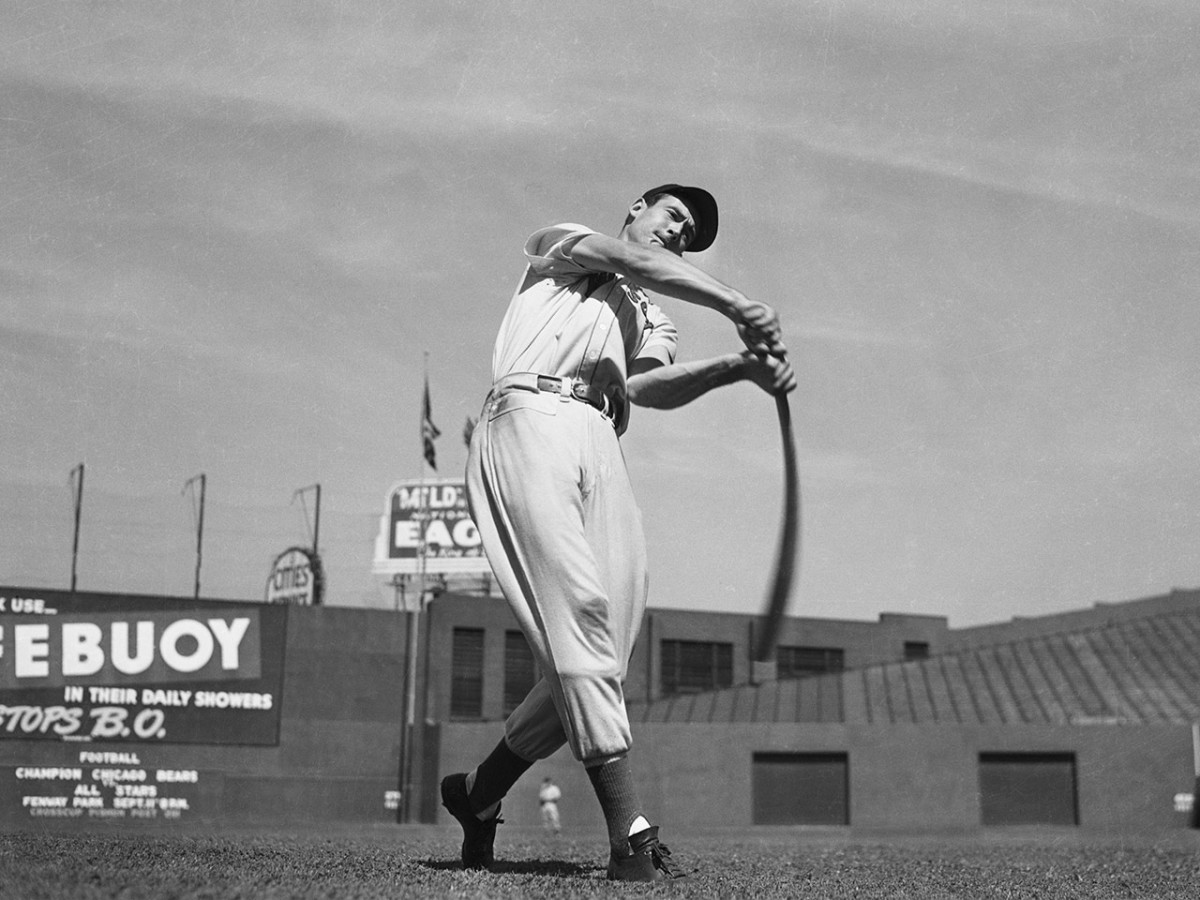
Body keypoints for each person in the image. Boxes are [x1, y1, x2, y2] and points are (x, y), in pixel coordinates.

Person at [441, 183, 795, 882]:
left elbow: (647, 391)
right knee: (580, 616)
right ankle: (629, 833)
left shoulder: (651, 317)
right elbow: (633, 262)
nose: (677, 233)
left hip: (601, 437)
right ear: (637, 207)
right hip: (529, 412)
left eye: (689, 234)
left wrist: (742, 368)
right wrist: (735, 304)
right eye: (673, 216)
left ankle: (478, 796)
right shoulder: (567, 246)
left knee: (606, 652)